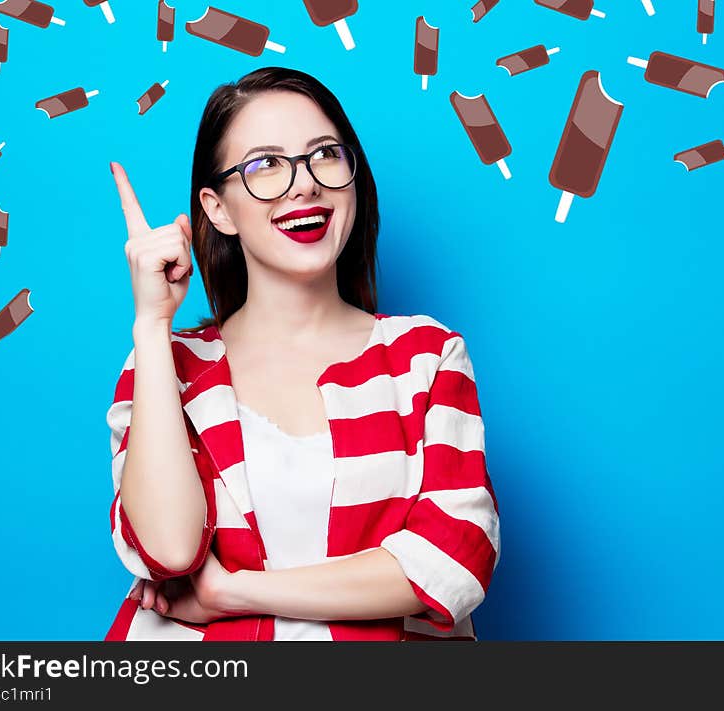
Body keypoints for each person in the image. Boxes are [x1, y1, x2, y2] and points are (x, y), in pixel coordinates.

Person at [104, 67, 500, 641]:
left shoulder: (426, 357)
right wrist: (151, 324)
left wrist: (232, 591)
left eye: (325, 156)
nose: (304, 184)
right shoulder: (167, 365)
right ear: (217, 210)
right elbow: (167, 549)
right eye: (265, 164)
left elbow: (454, 561)